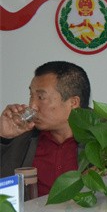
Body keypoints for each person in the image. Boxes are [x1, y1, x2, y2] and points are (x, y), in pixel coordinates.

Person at [1, 61, 91, 195]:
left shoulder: (104, 140)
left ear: (73, 103)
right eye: (31, 96)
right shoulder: (21, 137)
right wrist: (3, 138)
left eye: (41, 97)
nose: (32, 106)